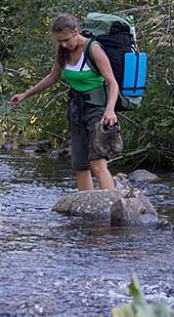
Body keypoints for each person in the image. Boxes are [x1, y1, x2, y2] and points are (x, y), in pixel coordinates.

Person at [10, 13, 119, 191]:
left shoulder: (93, 49)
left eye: (66, 40)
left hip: (97, 111)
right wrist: (25, 94)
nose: (63, 44)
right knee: (80, 165)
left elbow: (112, 83)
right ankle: (86, 207)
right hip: (76, 109)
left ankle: (111, 204)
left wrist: (110, 110)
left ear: (76, 32)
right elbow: (52, 77)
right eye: (59, 41)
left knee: (97, 163)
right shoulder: (63, 51)